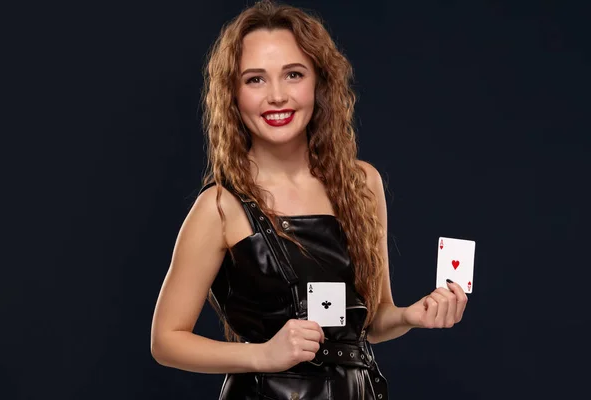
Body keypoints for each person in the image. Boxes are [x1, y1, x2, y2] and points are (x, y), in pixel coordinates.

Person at [150, 1, 468, 398]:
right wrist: (263, 355)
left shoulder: (361, 183)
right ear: (232, 94)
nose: (277, 96)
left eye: (293, 74)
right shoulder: (218, 206)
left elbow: (373, 320)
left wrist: (410, 316)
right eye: (255, 80)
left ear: (319, 83)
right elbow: (166, 340)